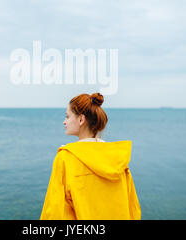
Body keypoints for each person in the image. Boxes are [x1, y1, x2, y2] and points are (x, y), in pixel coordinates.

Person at [40, 92, 141, 220]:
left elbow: (55, 210)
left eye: (67, 116)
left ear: (81, 119)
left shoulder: (65, 158)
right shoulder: (118, 158)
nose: (64, 122)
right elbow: (133, 207)